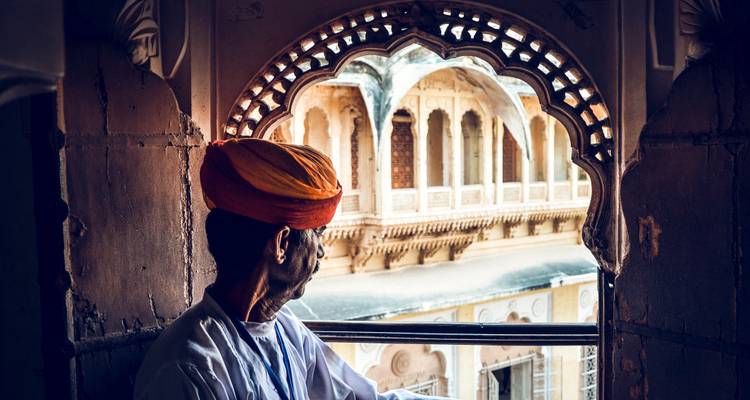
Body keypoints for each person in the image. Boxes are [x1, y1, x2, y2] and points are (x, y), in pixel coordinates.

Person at [134, 138, 449, 400]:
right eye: (318, 234)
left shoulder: (285, 329)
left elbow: (355, 397)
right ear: (282, 243)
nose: (322, 251)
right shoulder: (191, 365)